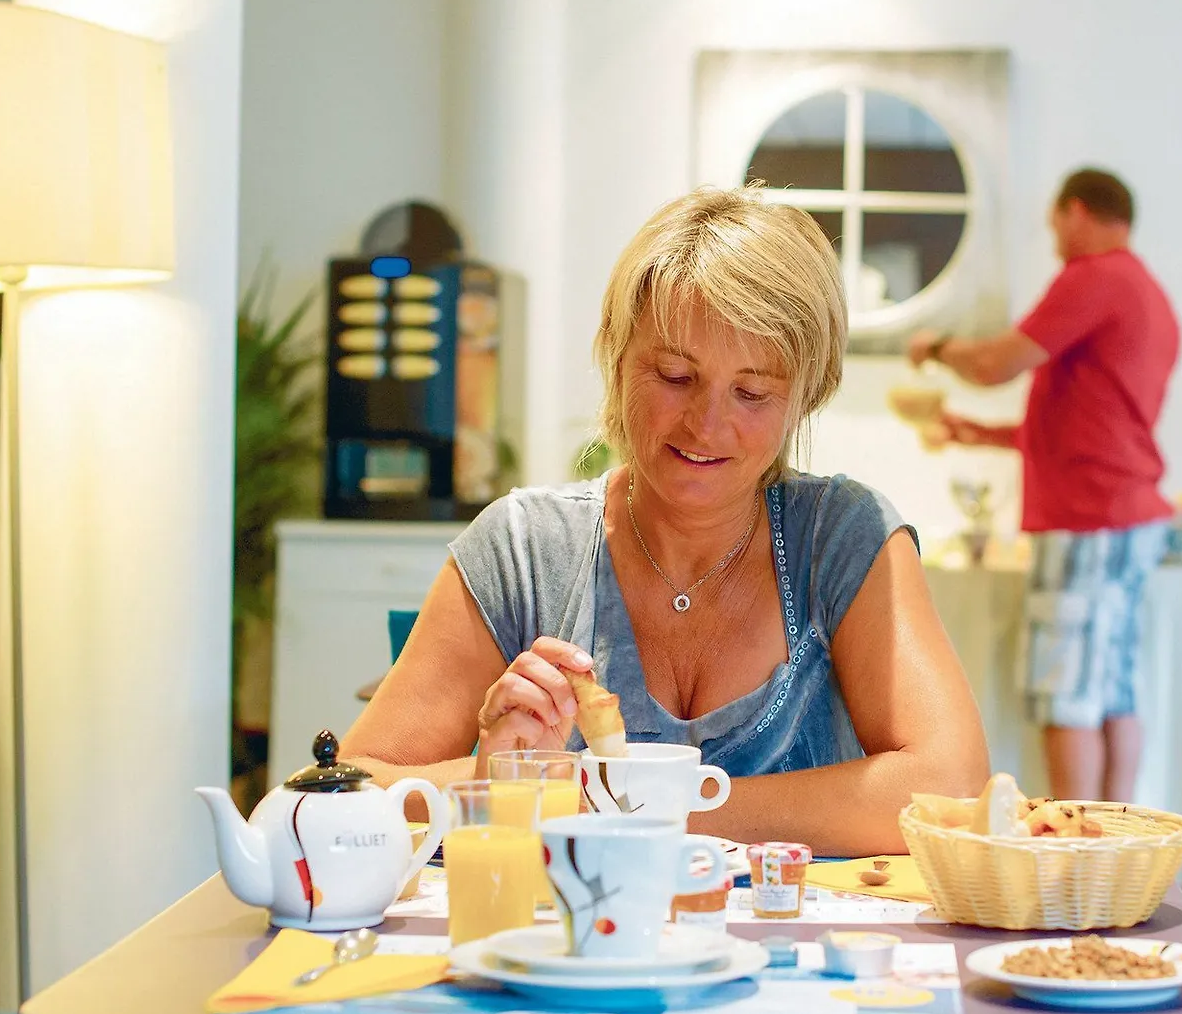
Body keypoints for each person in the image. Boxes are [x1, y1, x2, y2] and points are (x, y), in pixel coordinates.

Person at [344, 186, 989, 854]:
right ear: (617, 360)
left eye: (752, 392)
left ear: (805, 396)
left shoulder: (842, 536)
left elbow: (953, 787)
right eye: (676, 376)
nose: (708, 424)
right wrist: (492, 785)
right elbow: (349, 788)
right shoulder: (524, 549)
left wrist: (626, 805)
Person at [907, 167, 1179, 803]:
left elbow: (996, 363)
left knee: (1068, 693)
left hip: (1087, 518)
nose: (1054, 236)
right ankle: (1115, 845)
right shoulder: (1149, 294)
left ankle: (1075, 852)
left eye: (1055, 222)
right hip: (1126, 515)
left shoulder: (1094, 277)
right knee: (1113, 689)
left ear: (1076, 211)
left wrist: (936, 346)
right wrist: (981, 434)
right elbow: (1093, 426)